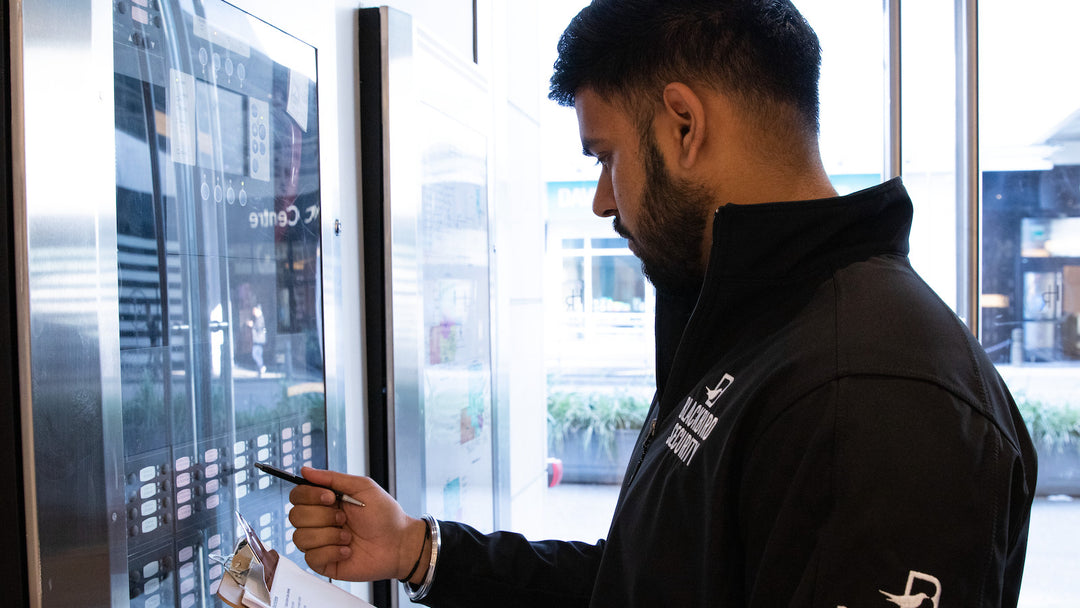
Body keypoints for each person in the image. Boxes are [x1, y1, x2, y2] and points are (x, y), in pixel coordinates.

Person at [289, 1, 1037, 606]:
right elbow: (653, 580)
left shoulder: (874, 395)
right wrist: (418, 551)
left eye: (605, 156)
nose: (601, 200)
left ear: (684, 124)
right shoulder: (755, 325)